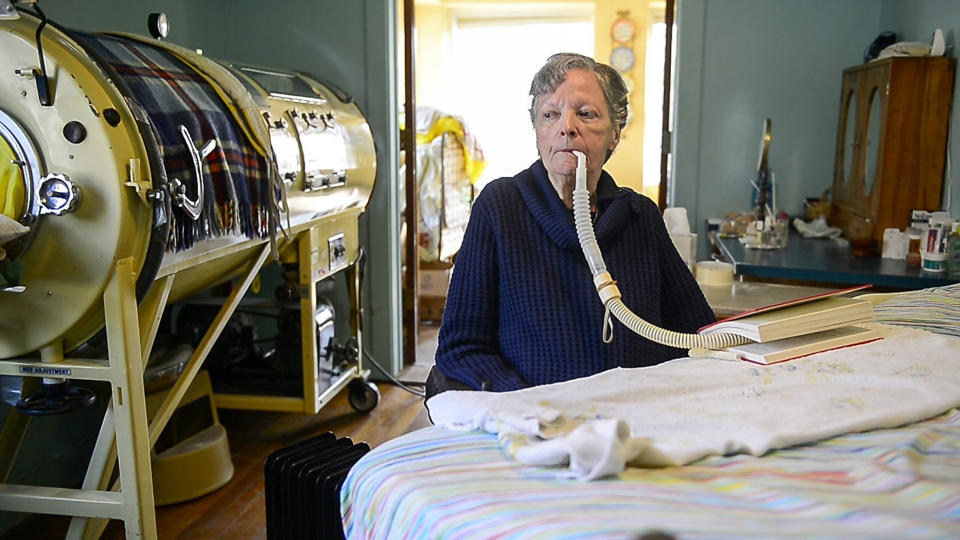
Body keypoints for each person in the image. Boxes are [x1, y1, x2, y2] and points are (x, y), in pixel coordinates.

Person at [428, 53, 715, 397]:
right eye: (550, 115)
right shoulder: (500, 207)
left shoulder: (640, 215)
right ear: (537, 131)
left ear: (614, 134)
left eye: (586, 114)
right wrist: (529, 405)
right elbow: (460, 348)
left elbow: (699, 333)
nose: (567, 127)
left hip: (639, 417)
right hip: (540, 421)